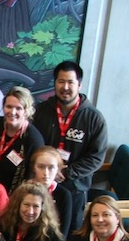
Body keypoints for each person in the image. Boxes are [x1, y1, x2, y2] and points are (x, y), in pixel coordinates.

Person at [33, 61, 108, 229]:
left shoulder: (94, 118)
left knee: (69, 235)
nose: (65, 87)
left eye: (70, 82)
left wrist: (67, 172)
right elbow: (34, 144)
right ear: (55, 83)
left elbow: (96, 158)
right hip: (42, 186)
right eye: (61, 81)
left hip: (74, 188)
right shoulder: (42, 111)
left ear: (79, 85)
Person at [0, 86, 44, 192]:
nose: (12, 112)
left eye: (18, 108)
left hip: (12, 198)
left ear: (26, 111)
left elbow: (32, 179)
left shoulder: (33, 140)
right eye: (8, 107)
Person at [28, 146, 73, 238]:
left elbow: (62, 233)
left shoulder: (64, 195)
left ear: (58, 169)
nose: (46, 173)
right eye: (41, 167)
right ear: (33, 168)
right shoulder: (24, 190)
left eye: (51, 168)